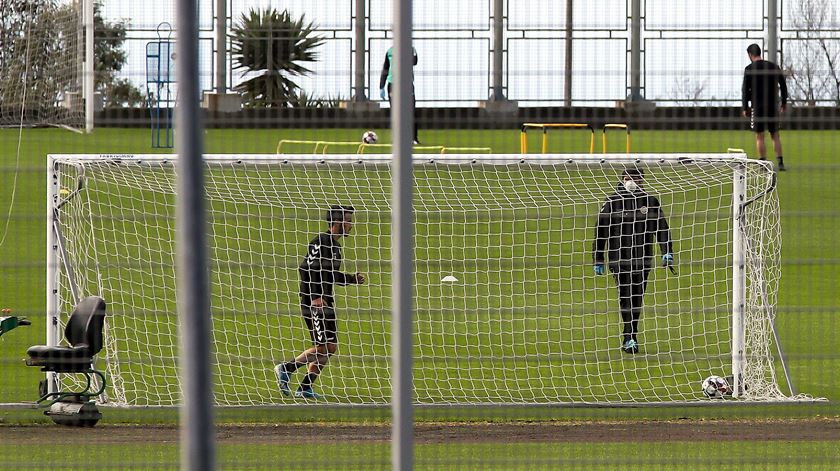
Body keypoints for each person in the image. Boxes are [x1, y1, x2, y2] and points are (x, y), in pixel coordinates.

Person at [275, 205, 366, 399]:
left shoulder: (336, 248)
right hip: (313, 303)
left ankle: (305, 387)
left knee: (330, 347)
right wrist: (315, 296)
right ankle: (286, 368)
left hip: (326, 302)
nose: (351, 225)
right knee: (323, 346)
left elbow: (330, 274)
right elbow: (306, 268)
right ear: (338, 222)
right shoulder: (321, 242)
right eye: (348, 221)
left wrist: (351, 279)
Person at [592, 167, 673, 354]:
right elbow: (600, 231)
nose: (632, 181)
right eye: (629, 177)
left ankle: (632, 333)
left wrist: (667, 252)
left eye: (637, 178)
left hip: (643, 260)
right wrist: (598, 258)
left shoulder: (650, 202)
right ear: (622, 179)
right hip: (619, 260)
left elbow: (662, 229)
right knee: (626, 296)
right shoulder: (612, 202)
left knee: (637, 298)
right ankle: (629, 337)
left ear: (642, 180)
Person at [742, 43, 789, 171]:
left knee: (759, 136)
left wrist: (745, 107)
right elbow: (783, 86)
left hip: (758, 107)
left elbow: (745, 90)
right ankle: (780, 163)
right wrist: (784, 102)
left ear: (750, 55)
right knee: (775, 135)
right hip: (773, 106)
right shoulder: (773, 67)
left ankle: (763, 164)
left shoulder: (749, 69)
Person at [379, 44, 421, 145]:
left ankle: (413, 138)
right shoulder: (390, 51)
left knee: (411, 111)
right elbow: (385, 68)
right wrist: (381, 86)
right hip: (392, 84)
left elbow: (414, 62)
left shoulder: (410, 49)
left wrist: (413, 52)